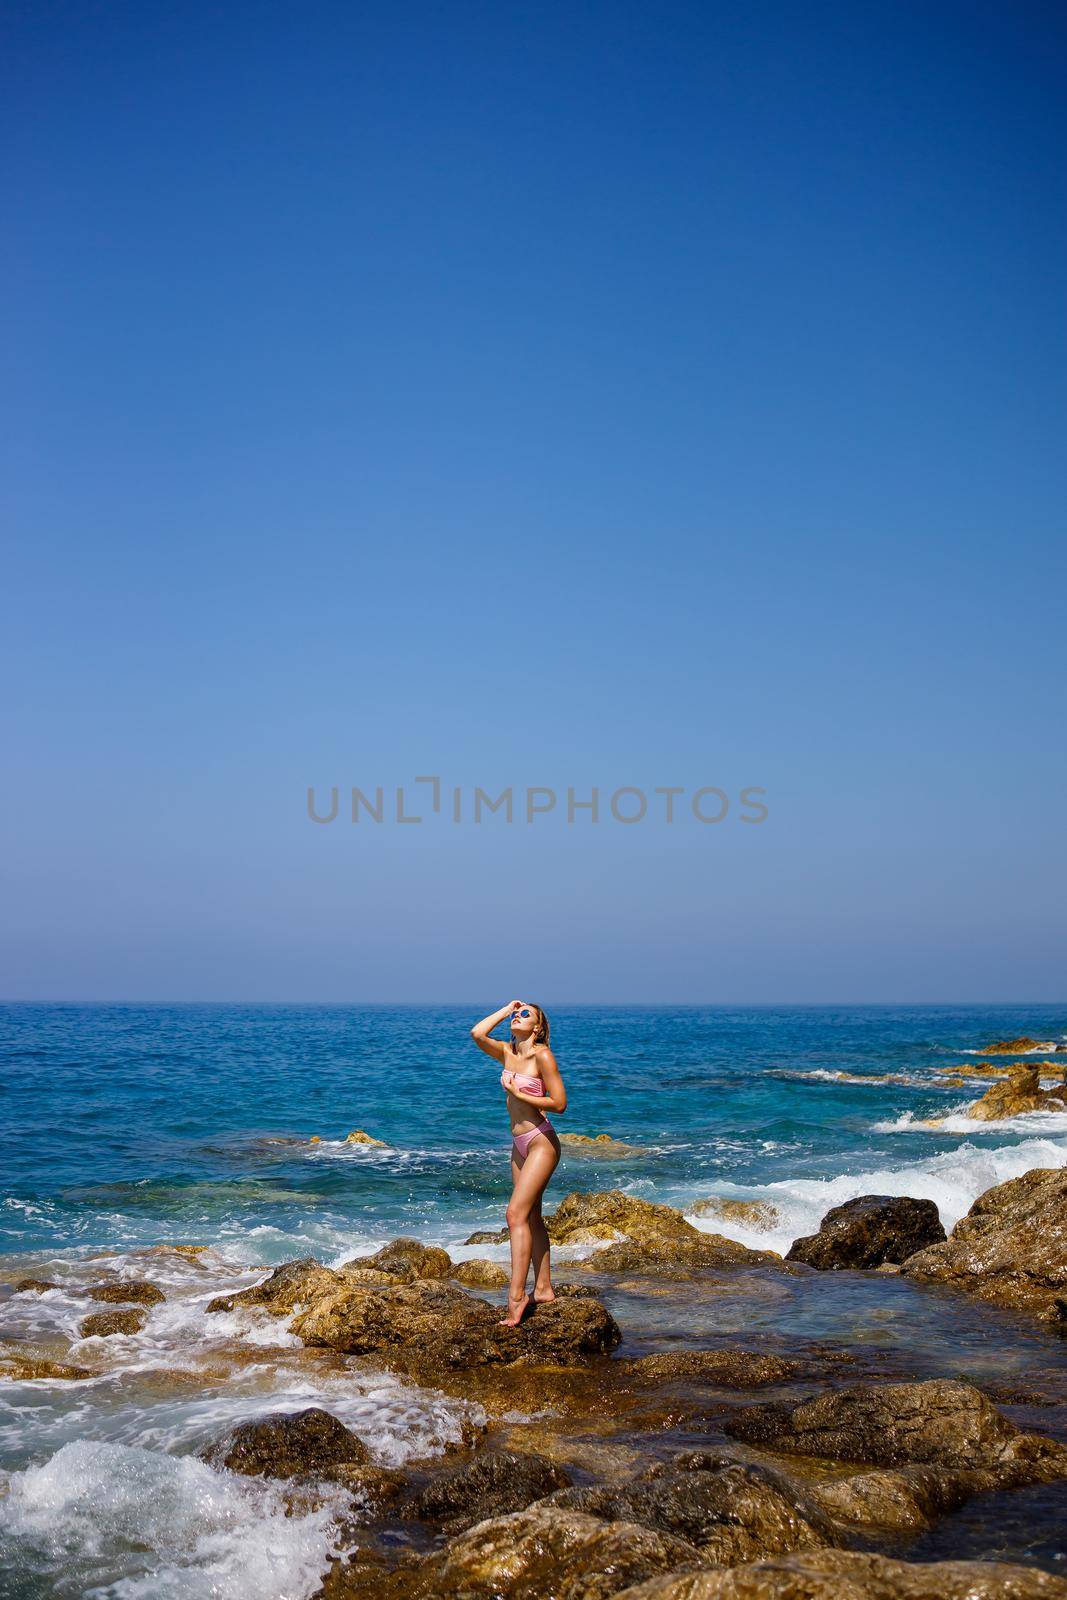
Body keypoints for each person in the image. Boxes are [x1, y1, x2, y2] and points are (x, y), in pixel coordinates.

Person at [470, 1000, 567, 1325]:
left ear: (538, 1028)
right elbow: (477, 1032)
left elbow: (559, 1103)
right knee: (533, 1218)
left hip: (541, 1142)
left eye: (525, 1014)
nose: (517, 1016)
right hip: (519, 1145)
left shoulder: (542, 1055)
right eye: (516, 1013)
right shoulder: (507, 1053)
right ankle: (543, 1289)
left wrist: (521, 1094)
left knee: (515, 1215)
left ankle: (516, 1297)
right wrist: (504, 1008)